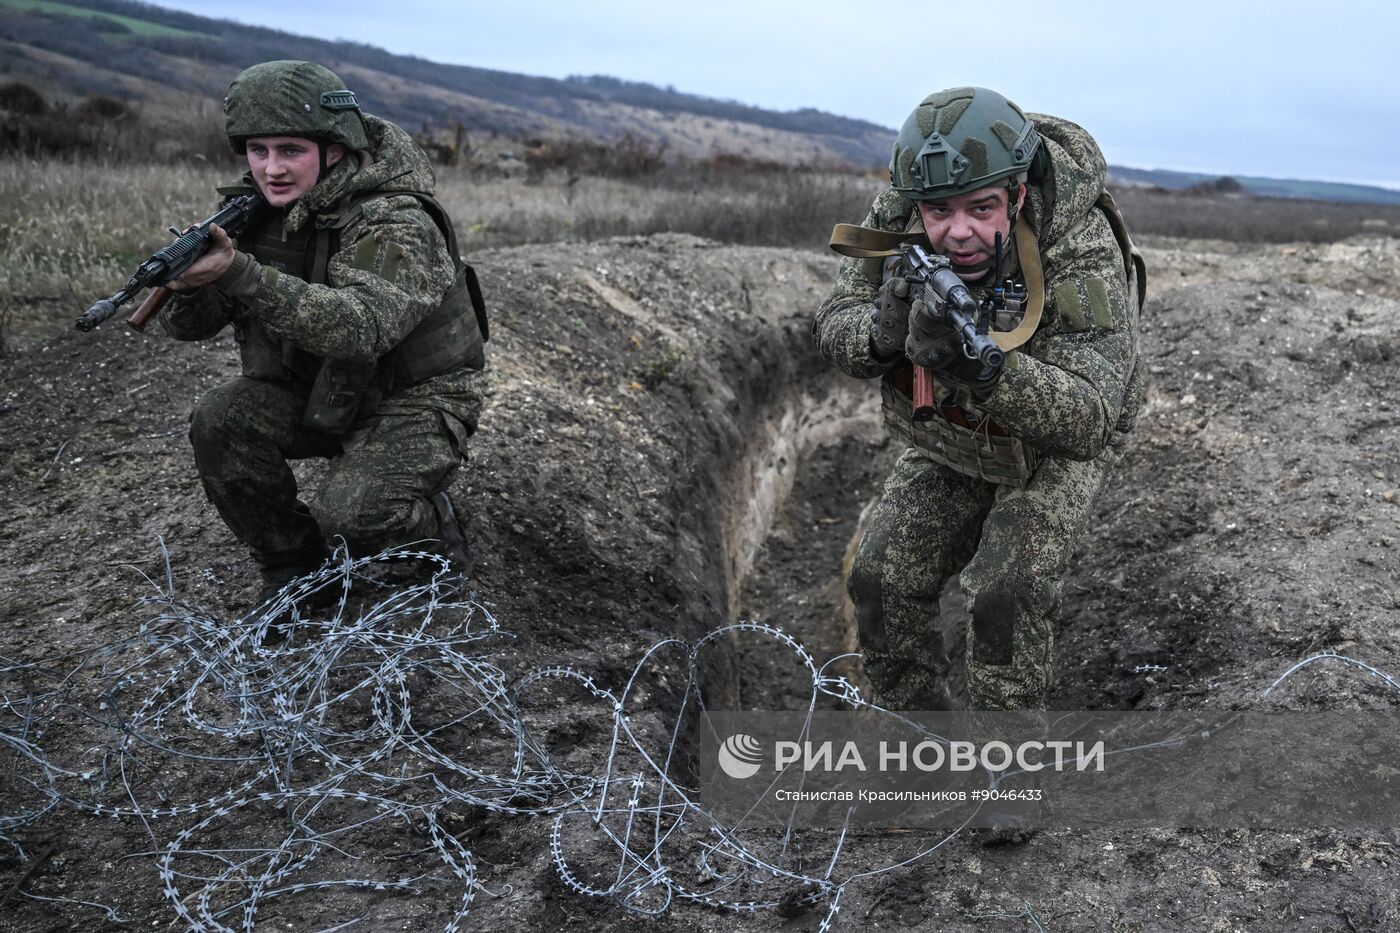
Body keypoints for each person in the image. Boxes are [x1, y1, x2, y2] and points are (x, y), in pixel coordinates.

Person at [814, 87, 1146, 712]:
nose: (957, 233)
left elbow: (1089, 420)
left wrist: (981, 370)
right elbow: (834, 321)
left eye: (982, 208)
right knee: (880, 579)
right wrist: (882, 336)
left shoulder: (1079, 247)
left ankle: (1004, 787)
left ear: (1017, 193)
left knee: (1004, 595)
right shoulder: (903, 209)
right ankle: (920, 757)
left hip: (1055, 435)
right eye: (938, 212)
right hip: (959, 427)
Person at [160, 60, 488, 601]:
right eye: (258, 151)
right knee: (220, 420)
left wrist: (240, 273)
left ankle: (430, 538)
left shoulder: (396, 219)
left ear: (332, 149)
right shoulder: (249, 213)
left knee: (356, 516)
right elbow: (190, 329)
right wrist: (189, 286)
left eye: (291, 151)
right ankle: (295, 568)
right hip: (315, 386)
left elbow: (361, 329)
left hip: (409, 397)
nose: (272, 169)